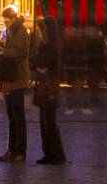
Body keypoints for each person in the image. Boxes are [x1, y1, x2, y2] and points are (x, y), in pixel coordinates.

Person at [0, 4, 31, 163]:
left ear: (13, 19)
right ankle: (11, 149)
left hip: (18, 77)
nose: (5, 24)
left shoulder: (21, 30)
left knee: (18, 116)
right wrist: (3, 45)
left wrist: (6, 51)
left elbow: (23, 51)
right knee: (11, 116)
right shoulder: (11, 31)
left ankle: (20, 151)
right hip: (9, 77)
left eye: (6, 21)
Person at [31, 16, 66, 165]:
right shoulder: (45, 45)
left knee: (49, 123)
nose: (38, 33)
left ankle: (57, 154)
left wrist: (38, 65)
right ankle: (49, 153)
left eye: (40, 30)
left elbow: (43, 66)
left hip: (49, 88)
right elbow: (35, 63)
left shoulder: (52, 46)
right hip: (43, 87)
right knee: (43, 123)